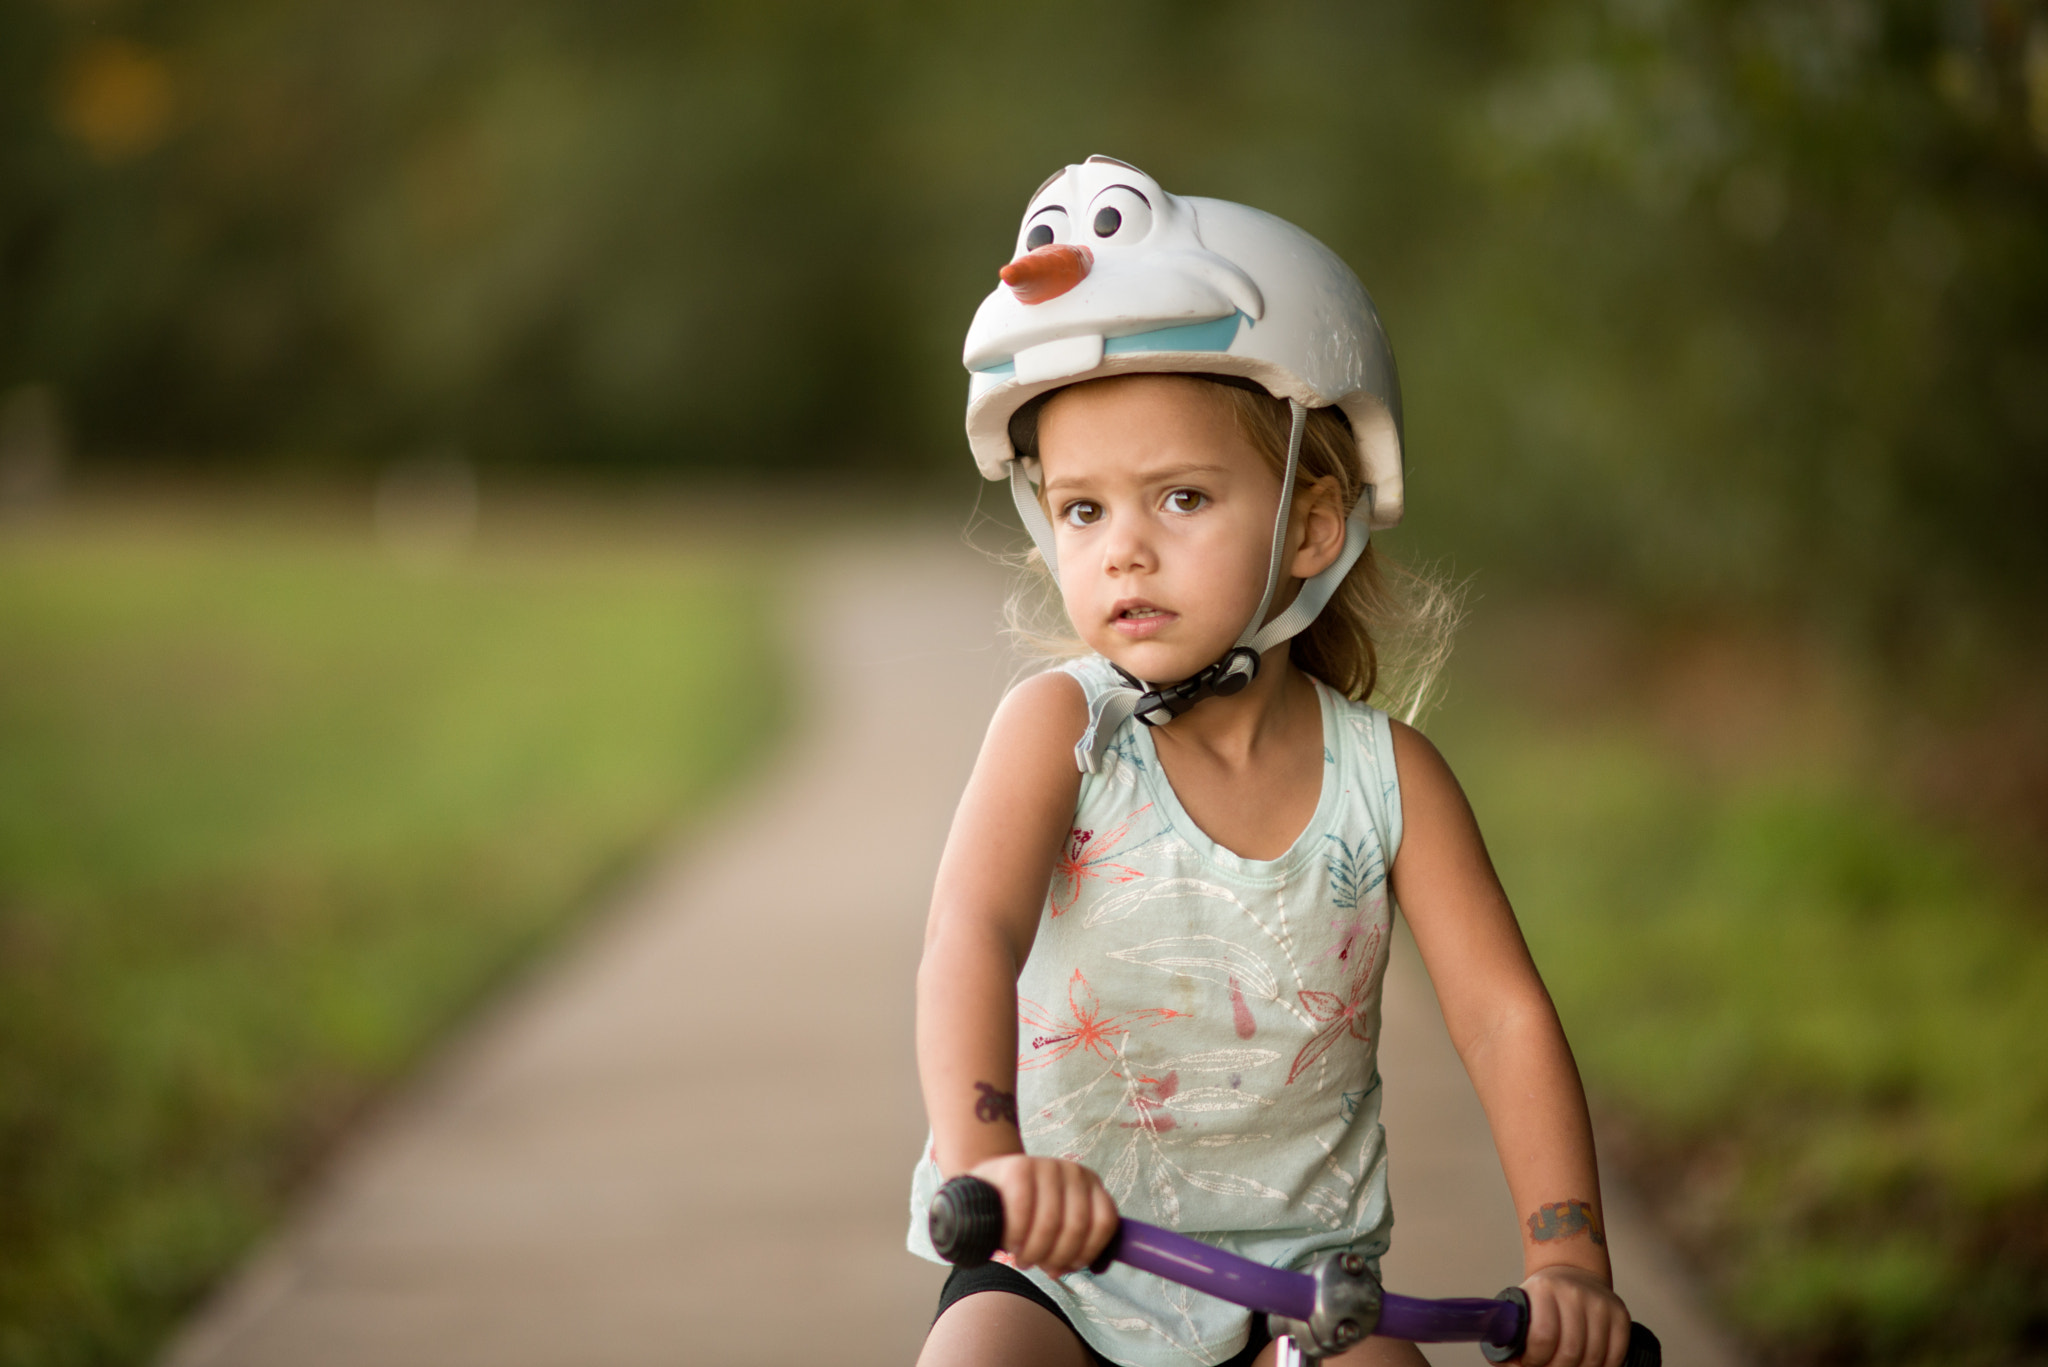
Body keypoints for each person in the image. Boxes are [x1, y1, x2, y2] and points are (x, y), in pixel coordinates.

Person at [908, 157, 1632, 1367]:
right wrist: (988, 1155)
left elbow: (1501, 1016)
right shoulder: (1060, 733)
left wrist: (1567, 1257)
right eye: (1083, 510)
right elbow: (968, 931)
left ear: (1308, 524)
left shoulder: (1389, 781)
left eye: (1180, 497)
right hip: (1055, 1265)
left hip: (1300, 1292)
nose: (1123, 551)